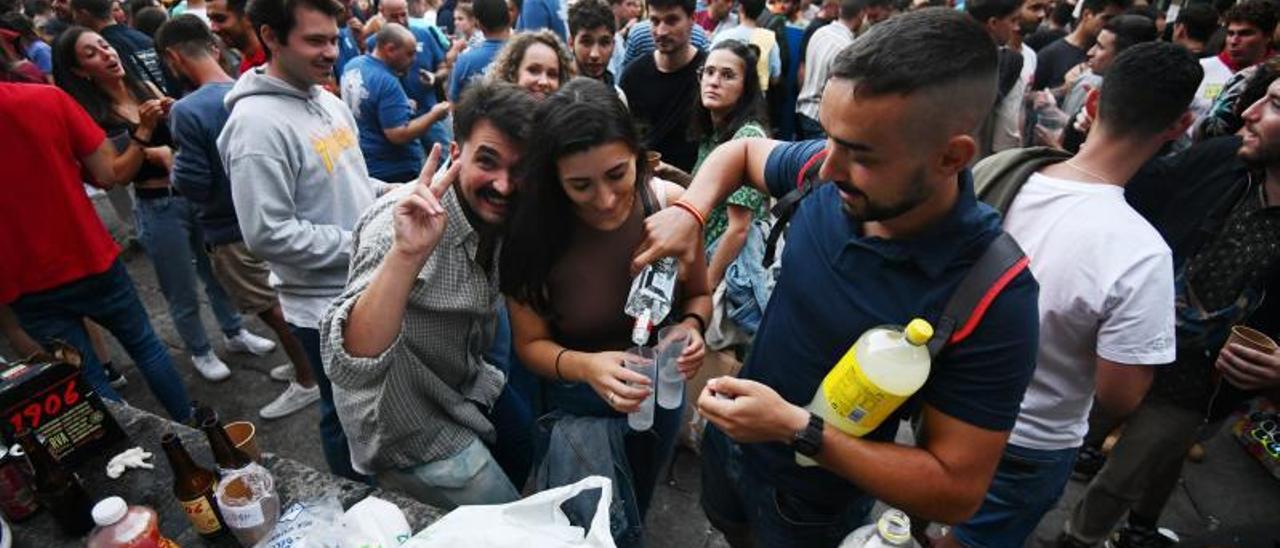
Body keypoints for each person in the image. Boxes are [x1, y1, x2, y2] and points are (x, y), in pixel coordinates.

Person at [631, 9, 1040, 546]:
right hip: (731, 447)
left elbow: (957, 488)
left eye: (860, 154)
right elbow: (743, 151)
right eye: (829, 139)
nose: (826, 170)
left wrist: (796, 429)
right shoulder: (837, 171)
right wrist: (690, 212)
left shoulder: (992, 294)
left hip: (810, 503)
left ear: (951, 156)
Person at [951, 42, 1201, 548]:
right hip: (1030, 442)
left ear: (1092, 104)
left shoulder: (1000, 172)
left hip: (947, 405)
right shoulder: (1142, 255)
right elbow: (1119, 395)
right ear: (1180, 126)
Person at [1061, 63, 1280, 548]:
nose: (1248, 112)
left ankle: (1077, 541)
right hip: (1128, 347)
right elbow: (1136, 183)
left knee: (1122, 479)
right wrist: (1099, 138)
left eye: (1276, 106)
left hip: (1196, 387)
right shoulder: (1224, 159)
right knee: (1062, 438)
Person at [500, 77, 710, 541]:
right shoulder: (531, 236)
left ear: (637, 155)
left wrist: (693, 327)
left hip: (661, 395)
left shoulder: (670, 208)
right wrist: (587, 367)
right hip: (578, 402)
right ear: (555, 181)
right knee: (584, 525)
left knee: (638, 499)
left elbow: (699, 294)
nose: (606, 199)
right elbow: (529, 344)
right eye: (581, 185)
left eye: (617, 174)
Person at [322, 80, 535, 509]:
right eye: (488, 161)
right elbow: (349, 360)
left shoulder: (501, 214)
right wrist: (406, 254)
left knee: (524, 442)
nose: (504, 185)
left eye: (521, 170)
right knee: (506, 525)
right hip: (408, 427)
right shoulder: (401, 226)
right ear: (456, 153)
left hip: (464, 383)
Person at [54, 26, 275, 383]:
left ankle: (235, 332)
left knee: (216, 271)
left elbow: (180, 140)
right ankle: (200, 349)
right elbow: (117, 174)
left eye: (105, 45)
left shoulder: (146, 88)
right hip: (157, 205)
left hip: (192, 195)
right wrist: (142, 133)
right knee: (180, 286)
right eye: (91, 53)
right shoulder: (96, 114)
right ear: (79, 71)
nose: (107, 54)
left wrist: (173, 113)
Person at [218, 0, 378, 482]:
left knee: (371, 407)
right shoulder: (255, 127)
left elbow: (354, 181)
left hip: (369, 284)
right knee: (342, 414)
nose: (331, 51)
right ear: (270, 36)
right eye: (315, 41)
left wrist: (401, 194)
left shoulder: (327, 101)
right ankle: (353, 498)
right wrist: (365, 242)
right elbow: (267, 233)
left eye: (333, 39)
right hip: (321, 308)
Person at [154, 14, 324, 419]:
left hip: (231, 229)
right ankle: (304, 366)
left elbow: (193, 183)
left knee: (274, 309)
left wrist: (167, 160)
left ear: (173, 57)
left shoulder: (189, 111)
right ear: (213, 48)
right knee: (284, 299)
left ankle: (308, 379)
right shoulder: (247, 94)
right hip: (273, 215)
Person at [0, 81, 194, 422]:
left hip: (22, 279)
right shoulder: (45, 99)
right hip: (88, 256)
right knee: (145, 345)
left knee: (84, 374)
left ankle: (133, 450)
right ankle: (192, 428)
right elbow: (107, 174)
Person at [687, 41, 771, 340]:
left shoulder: (747, 137)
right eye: (708, 72)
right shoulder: (714, 133)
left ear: (746, 87)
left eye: (727, 75)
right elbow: (713, 194)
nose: (713, 81)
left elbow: (738, 228)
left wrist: (705, 290)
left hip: (728, 273)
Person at [344, 24, 452, 182]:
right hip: (393, 171)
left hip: (368, 162)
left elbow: (369, 103)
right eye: (409, 54)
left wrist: (401, 106)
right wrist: (434, 115)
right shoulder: (386, 81)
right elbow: (398, 134)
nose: (414, 60)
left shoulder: (353, 65)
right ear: (390, 50)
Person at [620, 0, 705, 172]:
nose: (661, 31)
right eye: (655, 21)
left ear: (692, 19)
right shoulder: (633, 75)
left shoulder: (709, 74)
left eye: (672, 20)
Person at [363, 0, 450, 151]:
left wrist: (435, 77)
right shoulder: (374, 44)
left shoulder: (424, 34)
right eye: (394, 16)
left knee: (446, 160)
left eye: (404, 14)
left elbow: (444, 67)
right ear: (382, 13)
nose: (401, 20)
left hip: (429, 113)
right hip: (397, 121)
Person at [1191, 0, 1276, 125]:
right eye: (1230, 33)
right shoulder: (1200, 67)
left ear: (1268, 36)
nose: (1234, 41)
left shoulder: (1275, 78)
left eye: (1245, 33)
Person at [69, 0, 174, 93]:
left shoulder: (110, 48)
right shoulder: (143, 37)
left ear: (83, 14)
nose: (106, 53)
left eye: (74, 13)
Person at [966, 0, 1026, 160]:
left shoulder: (948, 52)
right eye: (1013, 20)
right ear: (993, 23)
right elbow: (1008, 124)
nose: (1016, 28)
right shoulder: (1009, 61)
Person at [794, 0, 860, 140]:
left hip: (802, 110)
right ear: (861, 15)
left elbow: (802, 69)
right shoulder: (847, 47)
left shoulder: (819, 32)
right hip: (820, 119)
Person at [1034, 0, 1130, 92]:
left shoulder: (1114, 54)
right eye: (1107, 18)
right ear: (1087, 15)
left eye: (1117, 20)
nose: (1111, 25)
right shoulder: (1050, 55)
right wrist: (1064, 89)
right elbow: (1026, 96)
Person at [711, 0, 780, 94]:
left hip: (725, 95)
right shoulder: (770, 39)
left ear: (741, 8)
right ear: (761, 12)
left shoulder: (723, 36)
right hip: (756, 100)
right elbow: (775, 79)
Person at [485, 28, 571, 99]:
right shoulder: (492, 117)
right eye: (533, 71)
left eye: (552, 74)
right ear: (513, 73)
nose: (544, 82)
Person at [448, 0, 507, 100]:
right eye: (455, 19)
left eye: (460, 19)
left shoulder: (466, 59)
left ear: (477, 22)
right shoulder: (523, 52)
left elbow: (454, 103)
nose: (456, 22)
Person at [207, 0, 263, 74]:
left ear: (248, 17)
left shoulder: (274, 64)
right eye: (210, 20)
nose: (213, 28)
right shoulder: (245, 64)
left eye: (220, 19)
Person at [568, 0, 615, 84]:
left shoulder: (618, 95)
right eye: (586, 42)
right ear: (571, 44)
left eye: (604, 43)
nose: (595, 54)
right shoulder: (553, 92)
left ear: (613, 46)